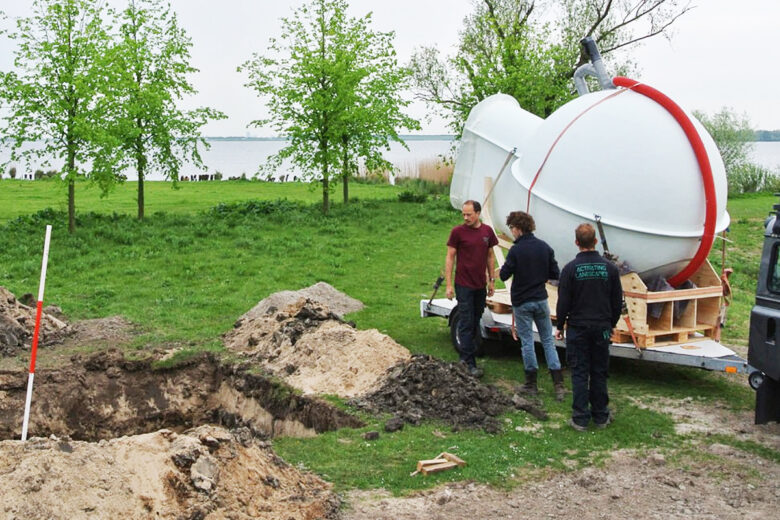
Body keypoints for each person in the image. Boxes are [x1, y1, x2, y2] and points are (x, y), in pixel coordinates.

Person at [555, 223, 623, 431]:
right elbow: (617, 300)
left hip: (578, 327)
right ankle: (601, 416)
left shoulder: (570, 269)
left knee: (579, 372)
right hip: (601, 327)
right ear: (595, 242)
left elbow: (563, 301)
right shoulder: (610, 268)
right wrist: (611, 323)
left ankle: (580, 418)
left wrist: (560, 325)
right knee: (599, 371)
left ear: (576, 243)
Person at [497, 211, 565, 400]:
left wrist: (505, 270)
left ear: (518, 229)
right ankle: (558, 385)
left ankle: (531, 385)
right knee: (548, 341)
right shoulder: (544, 247)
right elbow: (555, 273)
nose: (511, 232)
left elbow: (504, 275)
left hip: (522, 302)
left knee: (527, 342)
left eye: (511, 229)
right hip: (541, 300)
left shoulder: (516, 250)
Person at [445, 200, 498, 377]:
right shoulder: (458, 232)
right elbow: (450, 257)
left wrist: (491, 280)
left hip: (479, 285)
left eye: (469, 214)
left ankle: (465, 358)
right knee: (466, 322)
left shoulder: (487, 232)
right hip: (463, 284)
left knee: (475, 320)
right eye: (463, 214)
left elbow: (490, 257)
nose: (465, 217)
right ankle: (469, 363)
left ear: (478, 213)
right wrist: (449, 284)